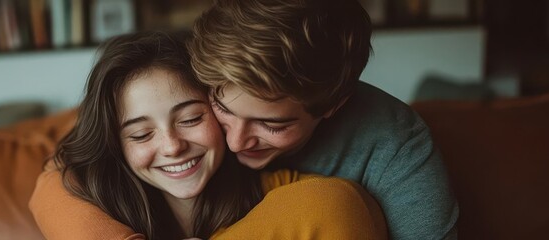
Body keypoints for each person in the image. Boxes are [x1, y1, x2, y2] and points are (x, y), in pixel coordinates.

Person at [30, 31, 387, 239]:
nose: (172, 146)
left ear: (220, 109)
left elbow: (347, 210)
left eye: (190, 119)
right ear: (116, 144)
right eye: (140, 134)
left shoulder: (273, 189)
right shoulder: (90, 197)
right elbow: (49, 185)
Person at [187, 0, 459, 239]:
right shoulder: (182, 99)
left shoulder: (396, 148)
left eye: (272, 125)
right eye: (222, 108)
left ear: (333, 105)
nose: (235, 143)